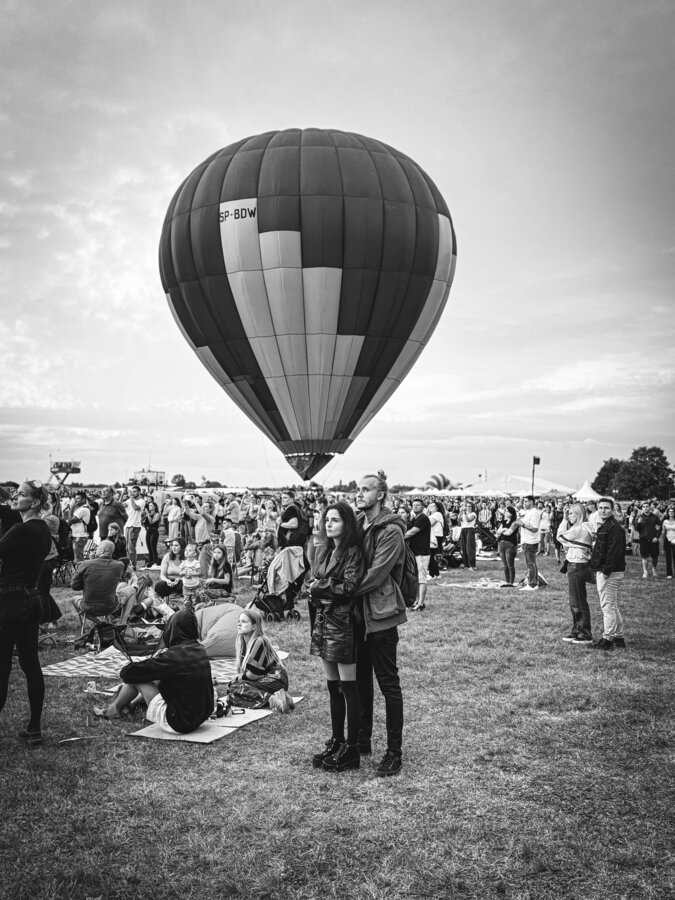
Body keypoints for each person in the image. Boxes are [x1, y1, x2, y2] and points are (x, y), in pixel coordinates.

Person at [353, 470, 407, 777]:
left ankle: (394, 752)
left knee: (388, 684)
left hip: (382, 614)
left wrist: (343, 589)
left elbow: (376, 574)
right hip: (358, 615)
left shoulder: (391, 530)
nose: (359, 494)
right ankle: (362, 742)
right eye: (357, 489)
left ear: (381, 495)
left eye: (365, 489)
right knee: (361, 681)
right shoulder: (358, 523)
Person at [309, 501, 365, 772]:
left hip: (343, 623)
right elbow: (317, 583)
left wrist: (319, 587)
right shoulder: (326, 550)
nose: (329, 524)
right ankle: (337, 740)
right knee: (333, 686)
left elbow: (350, 587)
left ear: (347, 524)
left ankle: (352, 748)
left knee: (348, 686)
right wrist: (319, 588)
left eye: (335, 520)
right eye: (327, 520)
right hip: (324, 621)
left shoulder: (352, 552)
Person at [94, 608, 213, 733]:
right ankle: (132, 704)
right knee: (155, 677)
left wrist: (126, 671)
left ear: (173, 629)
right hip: (200, 716)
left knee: (137, 677)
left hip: (179, 722)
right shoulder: (199, 649)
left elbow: (131, 672)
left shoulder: (174, 657)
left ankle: (113, 710)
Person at [0, 481, 53, 746]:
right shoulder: (42, 529)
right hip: (32, 598)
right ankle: (34, 729)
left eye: (20, 494)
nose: (14, 496)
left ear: (35, 502)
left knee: (2, 665)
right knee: (30, 663)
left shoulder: (21, 530)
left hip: (9, 598)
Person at [589, 498, 627, 651]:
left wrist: (605, 571)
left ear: (612, 510)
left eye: (606, 508)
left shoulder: (614, 527)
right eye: (600, 508)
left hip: (610, 572)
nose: (603, 510)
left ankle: (608, 639)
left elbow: (614, 552)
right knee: (612, 605)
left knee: (607, 607)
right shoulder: (607, 525)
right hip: (608, 570)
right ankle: (618, 636)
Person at [556, 503, 594, 644]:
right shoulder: (581, 527)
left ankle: (584, 633)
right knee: (575, 601)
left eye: (571, 513)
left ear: (578, 514)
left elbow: (560, 536)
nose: (568, 516)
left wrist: (563, 520)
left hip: (577, 564)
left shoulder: (580, 528)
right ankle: (577, 630)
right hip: (575, 564)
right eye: (568, 513)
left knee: (577, 601)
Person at [230, 608, 289, 694]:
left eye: (244, 621)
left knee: (236, 688)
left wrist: (237, 678)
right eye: (238, 621)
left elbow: (254, 675)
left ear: (254, 626)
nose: (239, 624)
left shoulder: (260, 641)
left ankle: (273, 698)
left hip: (276, 680)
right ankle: (271, 698)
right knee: (234, 689)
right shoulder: (242, 642)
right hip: (262, 679)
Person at [71, 540, 125, 619]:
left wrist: (88, 585)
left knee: (74, 599)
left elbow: (74, 586)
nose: (96, 550)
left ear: (101, 551)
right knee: (130, 590)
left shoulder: (85, 564)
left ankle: (98, 623)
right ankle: (123, 620)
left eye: (97, 548)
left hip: (87, 607)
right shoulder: (119, 565)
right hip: (110, 606)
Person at [405, 498, 431, 611]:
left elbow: (412, 532)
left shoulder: (423, 518)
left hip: (422, 552)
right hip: (415, 552)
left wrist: (397, 538)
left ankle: (420, 603)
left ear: (423, 507)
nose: (415, 506)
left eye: (418, 505)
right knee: (416, 578)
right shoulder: (415, 518)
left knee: (421, 578)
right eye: (414, 505)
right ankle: (416, 601)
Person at [516, 496, 541, 590]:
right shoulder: (528, 512)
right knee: (532, 563)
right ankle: (534, 581)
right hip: (527, 540)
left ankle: (532, 584)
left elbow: (535, 528)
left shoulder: (534, 512)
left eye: (526, 501)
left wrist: (522, 525)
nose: (524, 503)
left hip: (530, 541)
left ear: (531, 502)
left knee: (530, 564)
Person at [635, 501, 662, 578]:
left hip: (653, 540)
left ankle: (654, 570)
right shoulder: (639, 517)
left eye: (647, 506)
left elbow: (659, 528)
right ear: (642, 508)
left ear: (650, 507)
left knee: (655, 556)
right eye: (644, 507)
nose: (645, 508)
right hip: (643, 539)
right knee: (644, 556)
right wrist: (638, 522)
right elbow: (637, 529)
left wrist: (656, 537)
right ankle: (645, 571)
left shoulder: (654, 517)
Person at [155, 538, 186, 603]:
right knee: (159, 585)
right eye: (172, 545)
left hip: (181, 581)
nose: (173, 548)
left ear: (182, 547)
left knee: (185, 585)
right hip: (169, 582)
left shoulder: (186, 557)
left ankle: (182, 601)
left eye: (176, 545)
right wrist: (167, 581)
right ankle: (161, 603)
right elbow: (162, 575)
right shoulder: (167, 556)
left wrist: (180, 579)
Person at [123, 484, 145, 571]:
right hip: (128, 525)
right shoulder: (129, 500)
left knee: (131, 547)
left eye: (134, 491)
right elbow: (120, 506)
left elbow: (136, 508)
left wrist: (131, 498)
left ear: (139, 492)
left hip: (135, 525)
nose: (133, 493)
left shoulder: (141, 501)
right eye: (132, 492)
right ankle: (129, 563)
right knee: (127, 547)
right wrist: (122, 495)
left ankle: (133, 565)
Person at [496, 505, 519, 587]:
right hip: (501, 543)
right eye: (505, 511)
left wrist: (503, 531)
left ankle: (511, 582)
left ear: (512, 513)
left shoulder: (515, 522)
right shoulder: (504, 522)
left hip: (510, 544)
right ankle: (507, 581)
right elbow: (498, 532)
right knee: (505, 565)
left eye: (508, 511)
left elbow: (509, 533)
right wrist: (504, 530)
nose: (506, 512)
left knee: (510, 565)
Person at [68, 491, 91, 563]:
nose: (75, 500)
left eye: (78, 498)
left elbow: (70, 521)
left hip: (80, 536)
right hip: (77, 535)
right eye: (75, 498)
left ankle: (79, 570)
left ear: (83, 499)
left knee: (78, 558)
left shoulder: (83, 509)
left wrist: (71, 508)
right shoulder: (79, 509)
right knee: (76, 557)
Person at [427, 500, 445, 579]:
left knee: (430, 556)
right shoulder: (432, 514)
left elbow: (429, 523)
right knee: (430, 556)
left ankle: (432, 574)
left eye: (433, 506)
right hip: (432, 536)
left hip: (436, 536)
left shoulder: (437, 514)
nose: (430, 507)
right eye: (430, 506)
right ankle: (436, 574)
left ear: (437, 508)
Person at [142, 500, 161, 568]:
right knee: (149, 548)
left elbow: (152, 522)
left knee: (153, 547)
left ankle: (155, 562)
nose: (150, 507)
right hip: (148, 531)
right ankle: (150, 562)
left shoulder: (157, 514)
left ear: (155, 507)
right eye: (149, 505)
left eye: (152, 505)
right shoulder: (148, 514)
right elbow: (144, 523)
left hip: (154, 531)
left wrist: (147, 514)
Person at [459, 501, 477, 570]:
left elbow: (468, 520)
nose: (468, 508)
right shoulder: (464, 513)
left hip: (470, 529)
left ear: (472, 507)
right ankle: (466, 564)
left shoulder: (473, 514)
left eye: (469, 506)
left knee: (470, 547)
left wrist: (465, 513)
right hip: (463, 529)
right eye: (467, 506)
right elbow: (459, 519)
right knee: (464, 547)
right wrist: (461, 512)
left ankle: (472, 565)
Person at [663, 506, 675, 579]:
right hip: (667, 539)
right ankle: (669, 573)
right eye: (670, 511)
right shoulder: (665, 521)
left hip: (674, 540)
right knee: (668, 557)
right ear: (667, 513)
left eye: (672, 511)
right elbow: (664, 532)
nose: (671, 513)